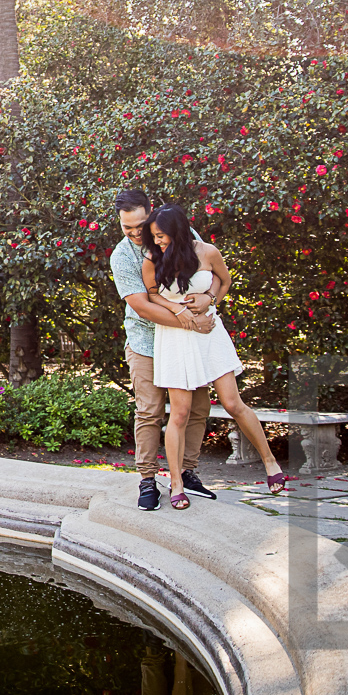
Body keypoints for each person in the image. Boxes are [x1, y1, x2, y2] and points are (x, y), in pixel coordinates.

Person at [144, 203, 285, 508]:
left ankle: (271, 462)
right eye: (153, 236)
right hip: (175, 338)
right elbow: (153, 294)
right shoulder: (153, 257)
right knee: (179, 414)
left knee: (233, 403)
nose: (157, 241)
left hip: (210, 335)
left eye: (161, 235)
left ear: (178, 232)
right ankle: (177, 483)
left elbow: (225, 280)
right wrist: (180, 310)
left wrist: (210, 299)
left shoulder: (207, 252)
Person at [112, 188, 224, 511]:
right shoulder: (121, 257)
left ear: (151, 213)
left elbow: (212, 272)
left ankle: (188, 472)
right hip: (146, 342)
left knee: (197, 407)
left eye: (140, 225)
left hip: (187, 341)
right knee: (149, 411)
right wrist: (189, 320)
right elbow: (143, 307)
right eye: (126, 227)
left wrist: (210, 298)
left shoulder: (176, 230)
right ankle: (148, 480)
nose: (135, 233)